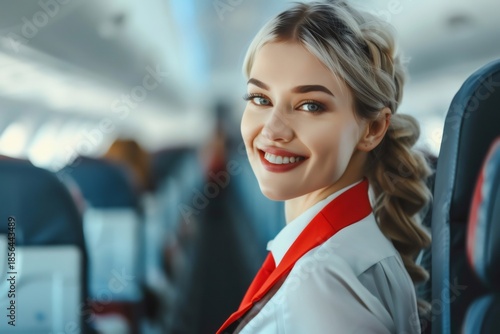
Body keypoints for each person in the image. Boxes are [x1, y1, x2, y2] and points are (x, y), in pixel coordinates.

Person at [217, 1, 432, 333]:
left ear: (372, 128)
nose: (273, 130)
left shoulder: (318, 283)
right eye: (261, 99)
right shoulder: (341, 257)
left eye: (310, 105)